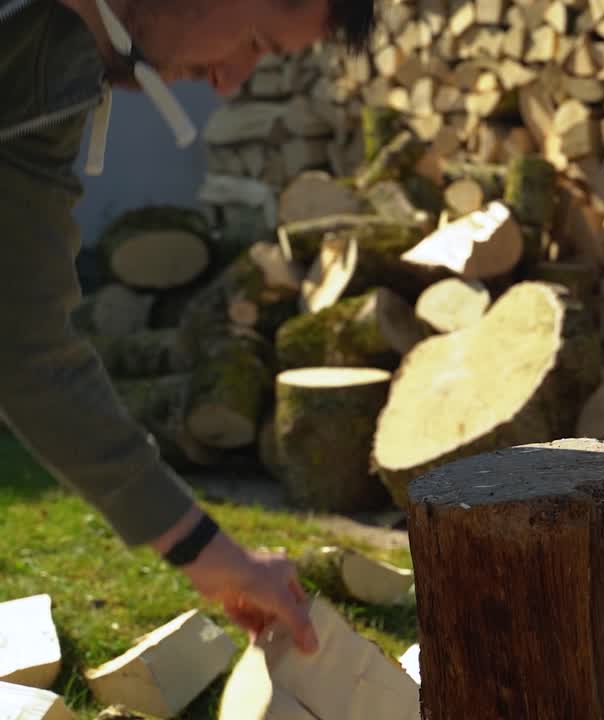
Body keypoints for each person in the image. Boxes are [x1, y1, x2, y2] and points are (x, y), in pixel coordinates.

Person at [0, 0, 375, 654]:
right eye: (253, 39)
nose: (228, 83)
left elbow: (24, 343)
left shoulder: (54, 72)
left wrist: (209, 551)